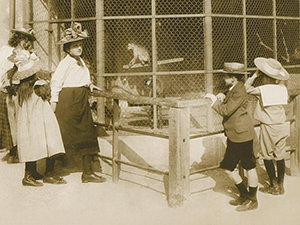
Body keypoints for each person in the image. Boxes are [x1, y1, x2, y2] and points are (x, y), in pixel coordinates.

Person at [50, 22, 106, 183]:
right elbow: (56, 82)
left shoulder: (80, 61)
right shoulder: (65, 63)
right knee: (62, 135)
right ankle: (51, 172)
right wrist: (54, 102)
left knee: (87, 133)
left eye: (80, 45)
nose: (78, 48)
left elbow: (80, 77)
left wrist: (89, 84)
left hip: (80, 100)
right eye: (75, 46)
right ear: (67, 48)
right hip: (68, 101)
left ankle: (87, 173)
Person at [205, 62, 258, 212]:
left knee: (249, 167)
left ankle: (253, 200)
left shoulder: (239, 90)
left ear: (233, 78)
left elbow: (226, 110)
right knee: (228, 167)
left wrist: (213, 101)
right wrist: (221, 94)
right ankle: (244, 195)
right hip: (235, 135)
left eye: (226, 76)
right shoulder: (234, 88)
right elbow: (230, 96)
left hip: (242, 135)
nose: (223, 78)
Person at [10, 50, 66, 186]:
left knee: (31, 143)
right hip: (41, 119)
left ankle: (31, 173)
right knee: (50, 140)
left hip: (30, 122)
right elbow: (47, 91)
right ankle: (48, 173)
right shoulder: (38, 86)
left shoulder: (23, 88)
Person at [245, 57, 289, 195]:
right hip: (282, 125)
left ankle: (273, 184)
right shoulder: (282, 88)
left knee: (267, 155)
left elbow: (246, 88)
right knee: (280, 155)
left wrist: (254, 76)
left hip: (269, 126)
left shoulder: (262, 89)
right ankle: (281, 185)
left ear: (264, 76)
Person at [0, 27, 35, 163]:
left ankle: (14, 151)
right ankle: (14, 151)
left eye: (28, 40)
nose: (26, 42)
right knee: (14, 120)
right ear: (19, 39)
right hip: (10, 87)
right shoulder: (15, 53)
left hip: (10, 87)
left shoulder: (15, 51)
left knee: (12, 120)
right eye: (24, 39)